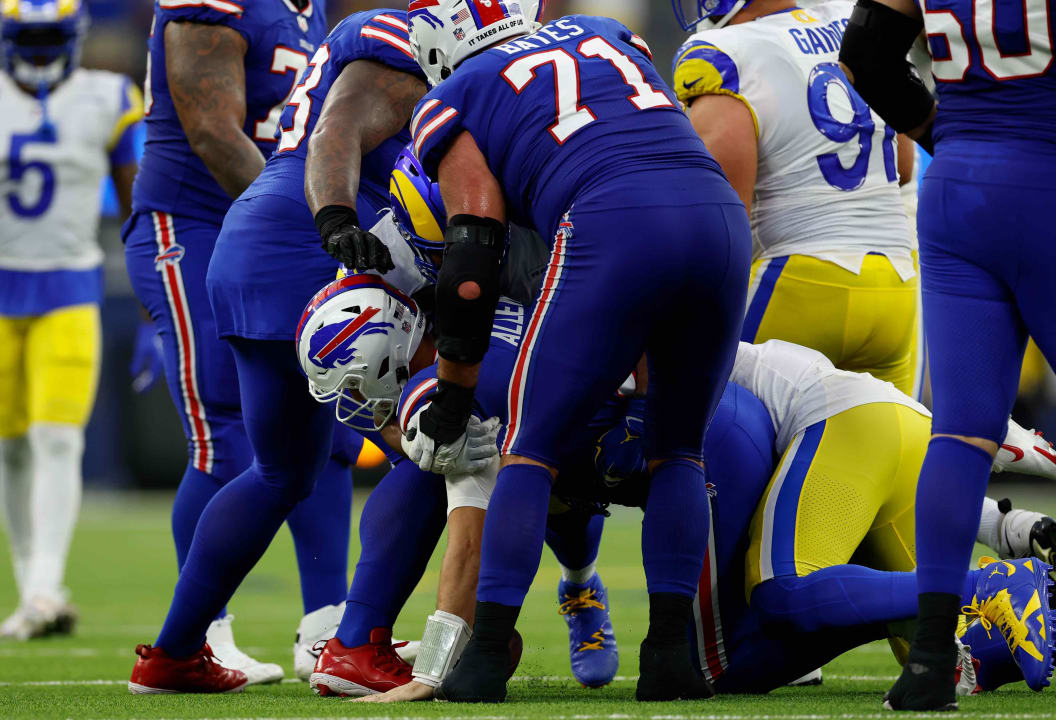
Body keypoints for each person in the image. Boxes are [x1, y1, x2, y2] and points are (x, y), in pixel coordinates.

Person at [403, 2, 751, 701]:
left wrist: (452, 391)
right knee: (678, 448)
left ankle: (485, 658)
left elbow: (471, 259)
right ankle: (669, 657)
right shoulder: (608, 32)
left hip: (613, 221)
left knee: (530, 449)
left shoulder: (454, 96)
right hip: (718, 219)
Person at [128, 6, 430, 693]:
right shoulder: (405, 42)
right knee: (431, 437)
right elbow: (324, 134)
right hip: (287, 235)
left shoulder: (337, 20)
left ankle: (181, 653)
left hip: (267, 233)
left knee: (289, 466)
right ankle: (354, 642)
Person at [584, 340, 1056, 696]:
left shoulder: (635, 354)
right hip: (899, 429)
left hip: (848, 421)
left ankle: (981, 586)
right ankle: (1024, 598)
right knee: (955, 661)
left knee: (780, 593)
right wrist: (1001, 525)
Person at [837, 0, 1056, 709]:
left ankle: (931, 661)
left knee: (960, 432)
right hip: (1045, 174)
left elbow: (866, 57)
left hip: (959, 186)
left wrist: (951, 135)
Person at [0, 0, 139, 641]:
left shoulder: (107, 96)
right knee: (11, 447)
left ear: (72, 38)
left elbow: (134, 211)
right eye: (29, 38)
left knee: (58, 439)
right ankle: (31, 587)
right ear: (6, 39)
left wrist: (154, 306)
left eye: (50, 38)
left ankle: (44, 588)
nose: (39, 51)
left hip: (70, 287)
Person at [296, 276, 616, 696]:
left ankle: (584, 583)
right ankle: (356, 639)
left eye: (356, 383)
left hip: (616, 423)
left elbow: (470, 538)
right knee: (439, 469)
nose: (357, 399)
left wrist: (433, 669)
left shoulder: (466, 372)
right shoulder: (387, 273)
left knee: (555, 485)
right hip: (518, 376)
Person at [671, 0, 922, 397]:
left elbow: (720, 221)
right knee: (880, 450)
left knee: (716, 435)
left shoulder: (726, 52)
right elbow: (903, 166)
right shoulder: (856, 22)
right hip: (895, 286)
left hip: (796, 282)